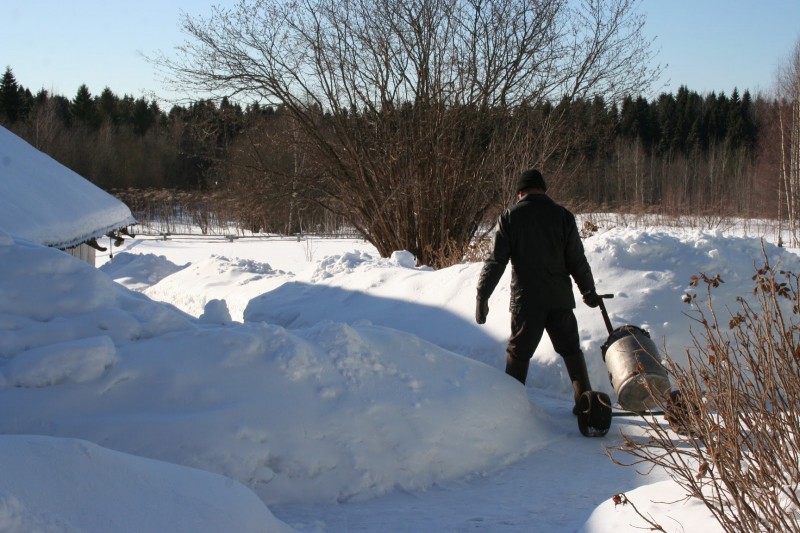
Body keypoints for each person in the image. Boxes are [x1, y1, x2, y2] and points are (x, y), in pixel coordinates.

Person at [475, 168, 602, 414]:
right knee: (571, 351)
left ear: (520, 192)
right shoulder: (563, 216)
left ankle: (511, 408)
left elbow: (495, 261)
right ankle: (585, 404)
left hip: (527, 302)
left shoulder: (510, 217)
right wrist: (588, 291)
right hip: (559, 300)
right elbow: (577, 260)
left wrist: (483, 294)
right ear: (544, 190)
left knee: (518, 354)